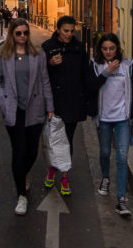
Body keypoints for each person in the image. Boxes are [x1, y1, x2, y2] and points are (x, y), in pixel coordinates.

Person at [0, 19, 54, 215]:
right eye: (18, 33)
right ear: (12, 34)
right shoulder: (3, 56)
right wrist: (2, 100)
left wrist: (50, 107)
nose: (23, 36)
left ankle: (22, 174)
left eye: (25, 32)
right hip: (13, 110)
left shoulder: (38, 55)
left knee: (32, 152)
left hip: (35, 108)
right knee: (19, 151)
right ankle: (22, 196)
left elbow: (45, 81)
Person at [40, 15, 105, 196]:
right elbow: (40, 75)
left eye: (71, 31)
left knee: (67, 139)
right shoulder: (47, 47)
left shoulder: (79, 48)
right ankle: (52, 170)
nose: (69, 34)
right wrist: (50, 63)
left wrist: (101, 79)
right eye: (65, 31)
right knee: (54, 139)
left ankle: (65, 176)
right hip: (54, 103)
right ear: (58, 30)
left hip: (73, 102)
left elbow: (86, 75)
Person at [92, 32, 133, 217]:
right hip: (104, 118)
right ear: (100, 50)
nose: (108, 52)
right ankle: (105, 178)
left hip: (122, 119)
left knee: (121, 157)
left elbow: (132, 90)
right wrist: (107, 71)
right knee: (104, 152)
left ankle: (121, 199)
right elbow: (92, 86)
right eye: (105, 49)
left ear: (117, 48)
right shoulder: (96, 65)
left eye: (112, 48)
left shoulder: (127, 65)